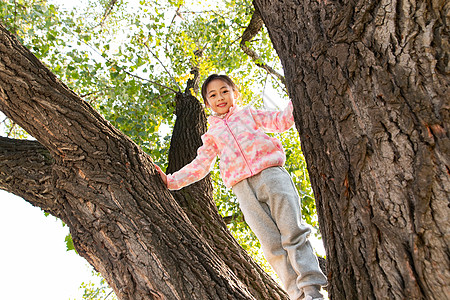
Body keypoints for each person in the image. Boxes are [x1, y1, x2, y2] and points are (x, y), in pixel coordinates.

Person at [155, 74, 327, 300]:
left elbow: (281, 121)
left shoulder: (249, 114)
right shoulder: (212, 135)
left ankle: (313, 291)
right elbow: (200, 165)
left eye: (225, 91)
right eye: (213, 95)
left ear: (235, 94)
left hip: (271, 175)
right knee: (272, 245)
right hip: (243, 189)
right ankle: (299, 296)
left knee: (293, 232)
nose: (220, 97)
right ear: (207, 104)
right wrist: (171, 180)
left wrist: (296, 92)